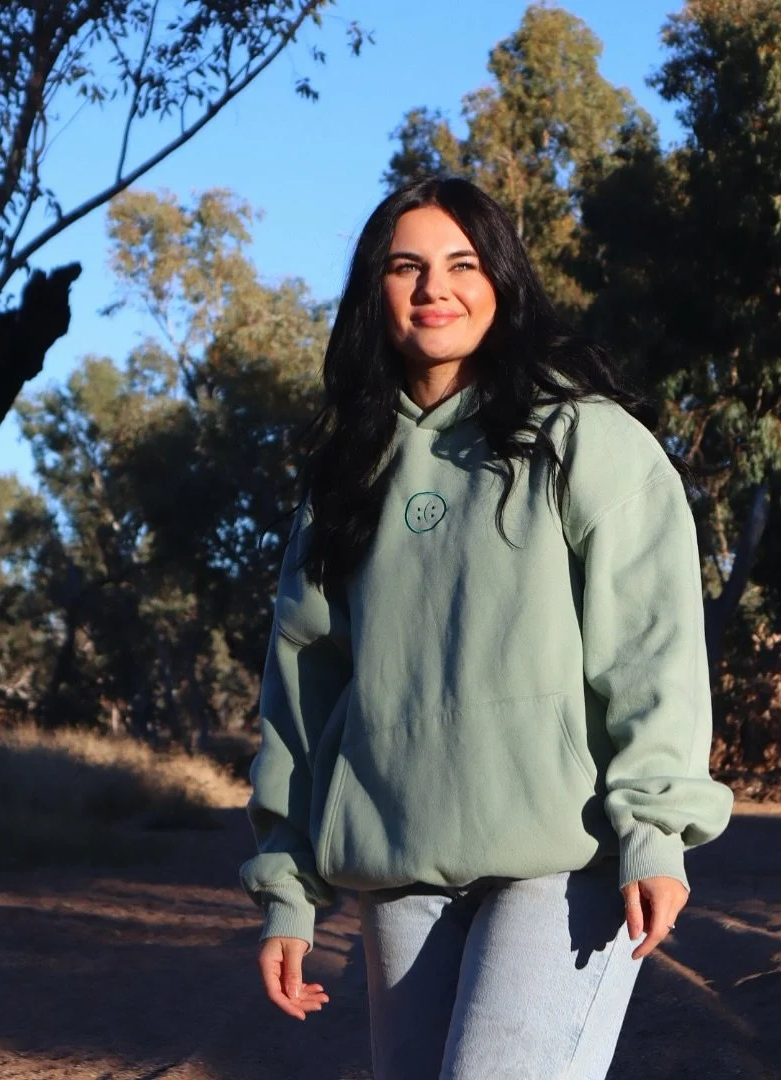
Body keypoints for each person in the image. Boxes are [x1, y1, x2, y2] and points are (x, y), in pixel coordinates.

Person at [239, 176, 733, 1079]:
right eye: (406, 267)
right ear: (375, 291)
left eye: (462, 264)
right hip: (400, 863)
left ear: (501, 281)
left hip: (564, 859)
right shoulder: (347, 473)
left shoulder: (582, 436)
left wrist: (656, 828)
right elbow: (302, 685)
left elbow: (651, 649)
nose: (435, 288)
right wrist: (288, 888)